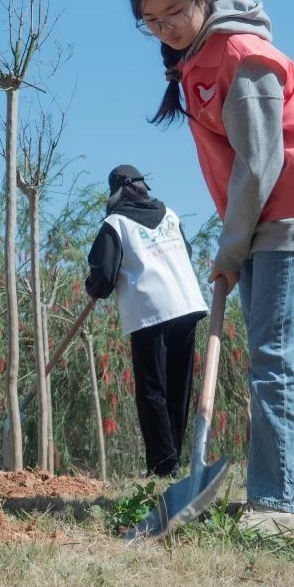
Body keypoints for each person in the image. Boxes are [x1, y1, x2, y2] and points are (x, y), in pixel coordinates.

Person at [126, 0, 294, 536]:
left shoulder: (242, 57)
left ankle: (280, 506)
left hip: (292, 216)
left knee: (278, 363)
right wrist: (236, 241)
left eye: (174, 13)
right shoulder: (194, 56)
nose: (166, 29)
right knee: (281, 361)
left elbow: (260, 161)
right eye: (152, 21)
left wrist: (230, 245)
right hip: (261, 222)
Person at [85, 165, 208, 478]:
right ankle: (172, 460)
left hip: (150, 311)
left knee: (152, 390)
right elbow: (186, 253)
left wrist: (94, 289)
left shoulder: (115, 224)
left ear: (115, 192)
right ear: (141, 186)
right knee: (179, 386)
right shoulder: (170, 216)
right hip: (187, 304)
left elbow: (104, 275)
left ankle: (163, 465)